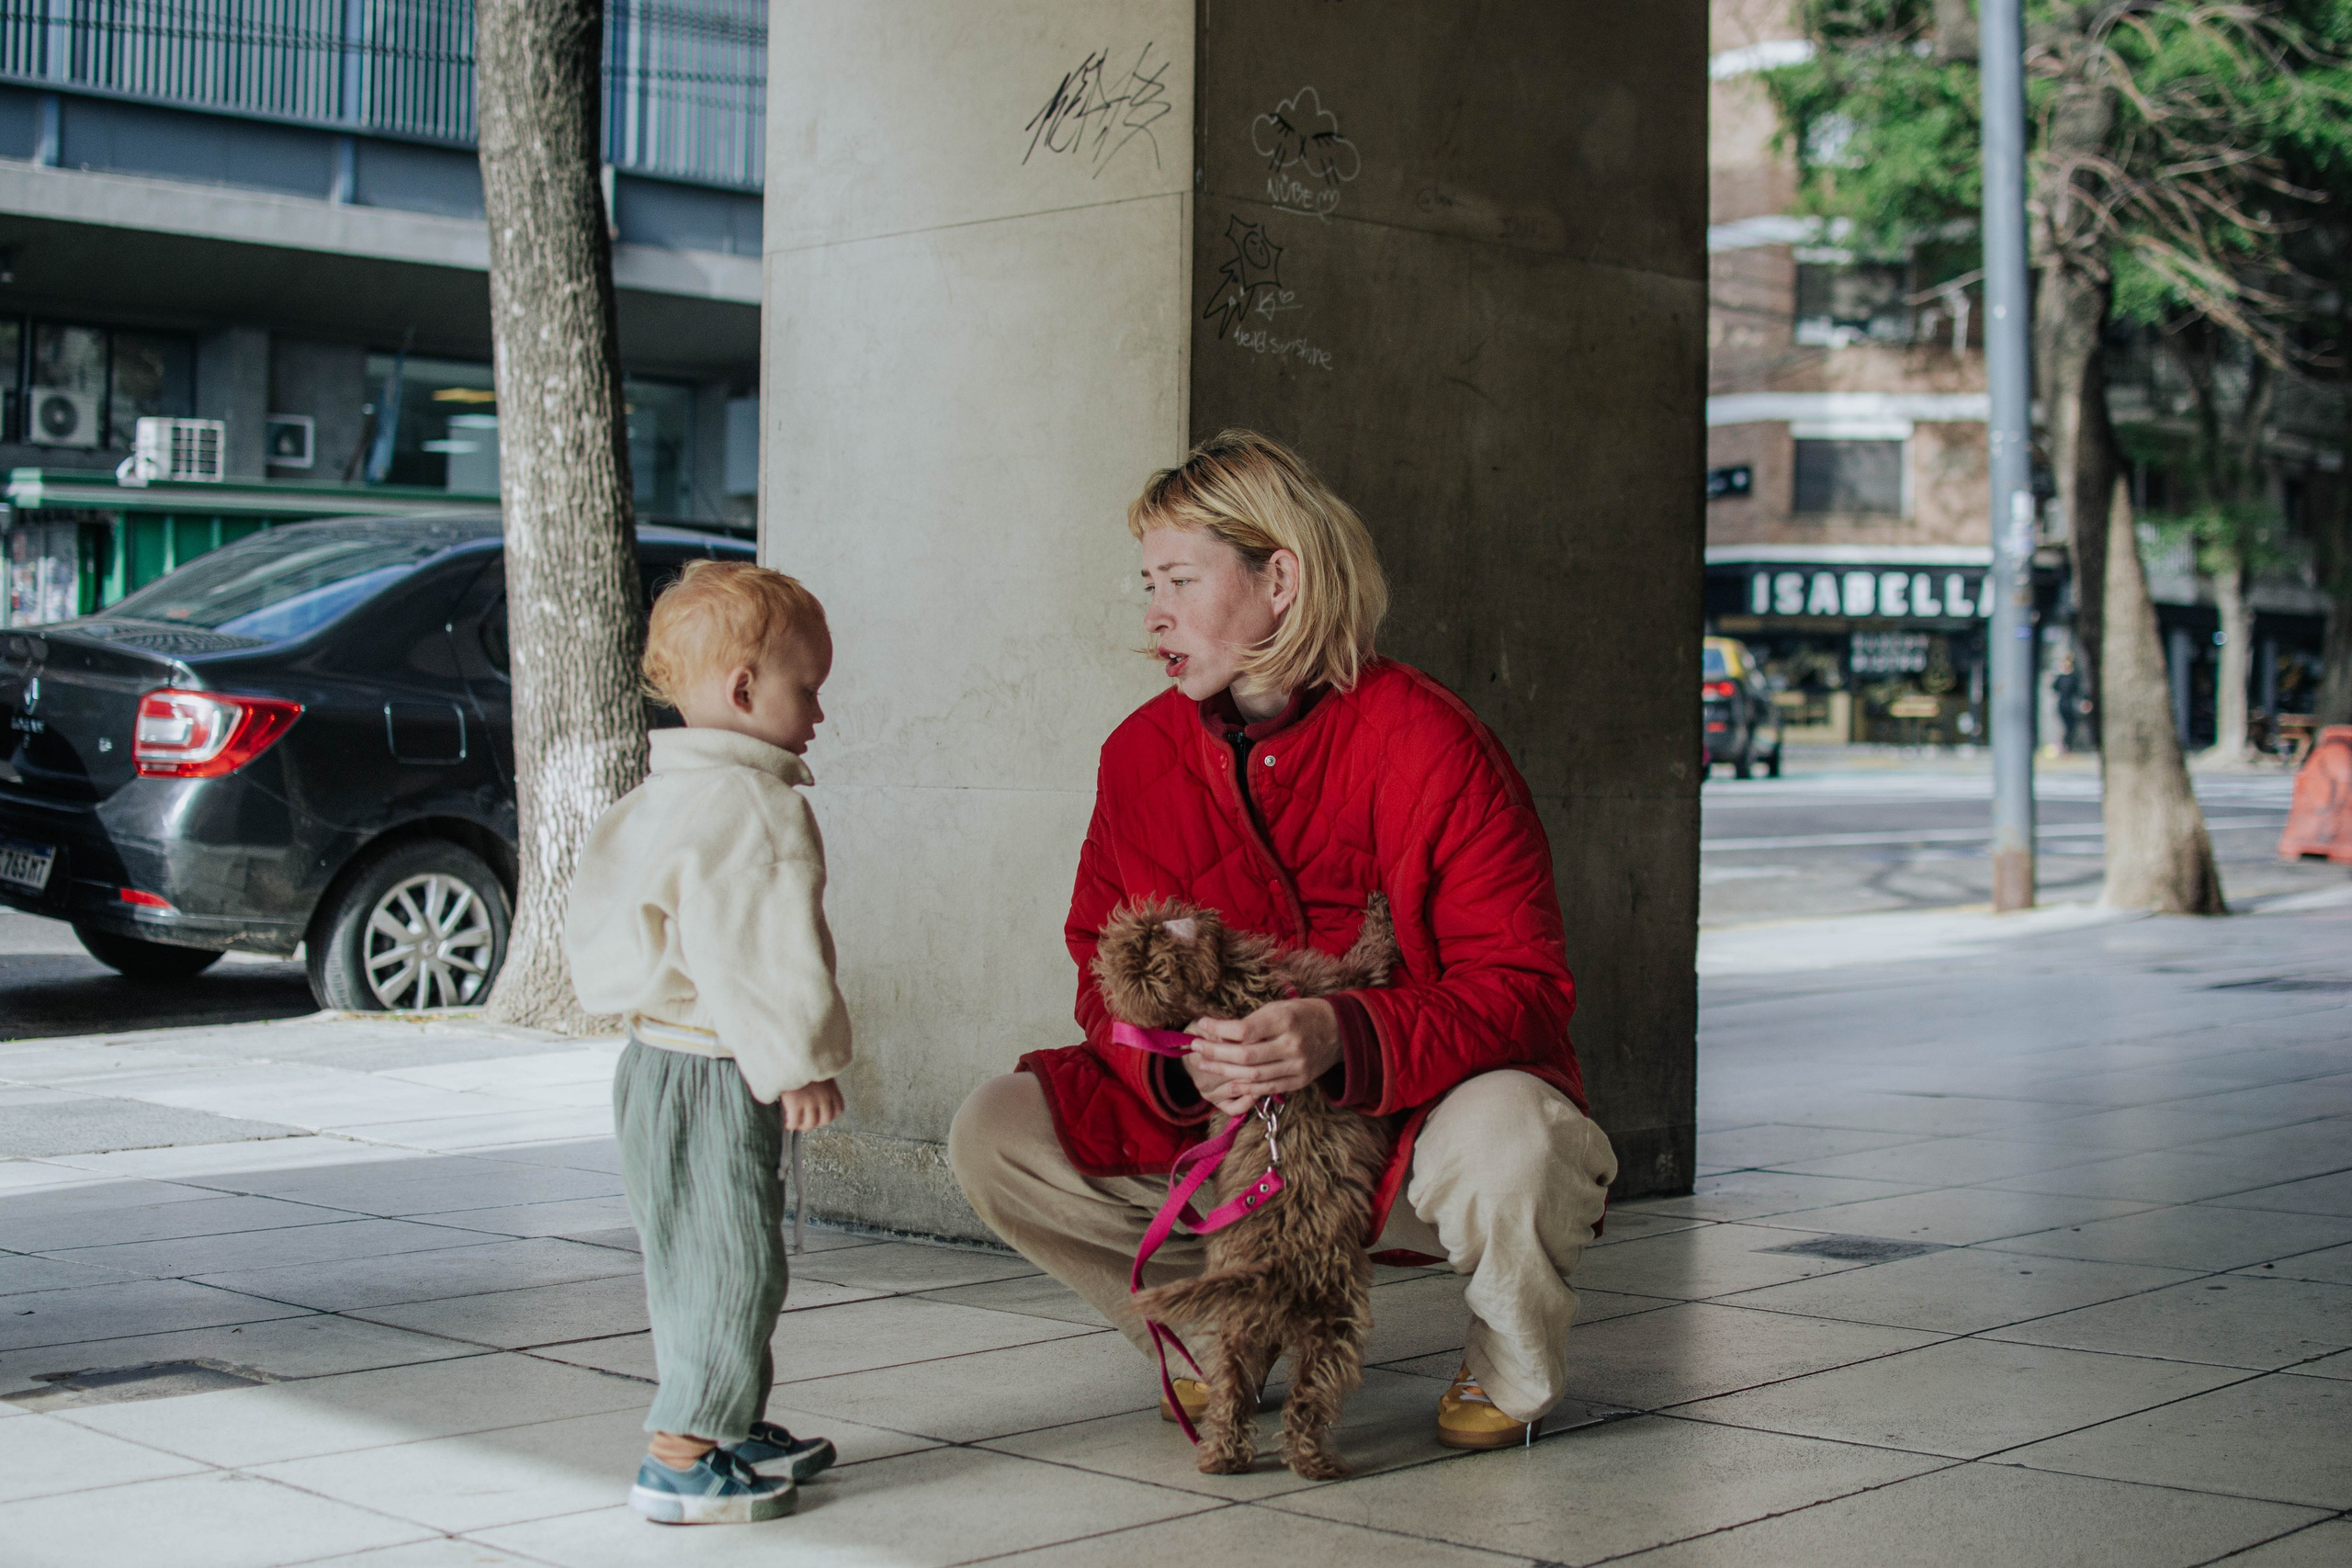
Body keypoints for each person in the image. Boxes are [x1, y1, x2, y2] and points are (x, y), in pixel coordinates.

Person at [949, 431, 1619, 1450]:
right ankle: (1229, 1338)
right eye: (1147, 584)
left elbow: (1523, 986)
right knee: (994, 1127)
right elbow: (1100, 967)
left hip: (1409, 1122)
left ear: (1281, 579)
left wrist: (1341, 1033)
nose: (1153, 614)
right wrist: (1185, 1067)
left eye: (1180, 578)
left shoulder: (1432, 741)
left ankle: (1506, 1365)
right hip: (1235, 1136)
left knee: (1515, 1137)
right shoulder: (1138, 755)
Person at [565, 560, 852, 1525]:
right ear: (743, 690)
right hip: (715, 1066)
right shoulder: (754, 809)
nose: (816, 712)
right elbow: (757, 952)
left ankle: (727, 1423)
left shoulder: (666, 795)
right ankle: (680, 1456)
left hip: (654, 1061)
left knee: (693, 1255)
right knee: (732, 1261)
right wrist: (796, 1060)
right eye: (805, 688)